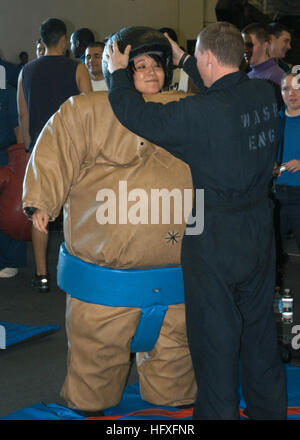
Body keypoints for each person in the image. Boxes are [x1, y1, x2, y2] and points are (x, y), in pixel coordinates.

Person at [106, 21, 288, 420]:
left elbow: (133, 113)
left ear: (207, 57)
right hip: (259, 228)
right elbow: (224, 90)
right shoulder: (263, 92)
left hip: (214, 229)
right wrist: (185, 60)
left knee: (215, 340)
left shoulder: (197, 114)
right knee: (258, 335)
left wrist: (117, 72)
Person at [23, 26, 197, 416]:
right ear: (116, 68)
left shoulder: (187, 109)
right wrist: (41, 201)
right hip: (105, 284)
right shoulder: (86, 112)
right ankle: (90, 403)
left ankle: (175, 407)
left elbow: (229, 107)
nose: (150, 72)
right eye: (138, 65)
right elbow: (54, 150)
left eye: (157, 64)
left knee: (177, 370)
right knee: (95, 367)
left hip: (179, 280)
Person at [17, 18, 92, 292]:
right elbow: (89, 112)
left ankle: (42, 275)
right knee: (78, 210)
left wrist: (29, 149)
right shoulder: (78, 68)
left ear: (42, 40)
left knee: (40, 211)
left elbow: (23, 114)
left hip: (40, 151)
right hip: (74, 151)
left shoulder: (26, 71)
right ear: (64, 40)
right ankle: (78, 271)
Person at [273, 71, 300, 286]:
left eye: (297, 88)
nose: (291, 94)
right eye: (286, 89)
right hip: (276, 195)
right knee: (273, 253)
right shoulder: (275, 120)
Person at [0, 81, 26, 277]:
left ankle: (11, 260)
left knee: (12, 207)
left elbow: (19, 127)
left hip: (7, 155)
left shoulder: (8, 94)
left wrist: (20, 162)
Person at [242, 23, 285, 108]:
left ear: (265, 45)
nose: (245, 50)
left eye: (249, 45)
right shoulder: (246, 76)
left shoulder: (278, 77)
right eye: (243, 45)